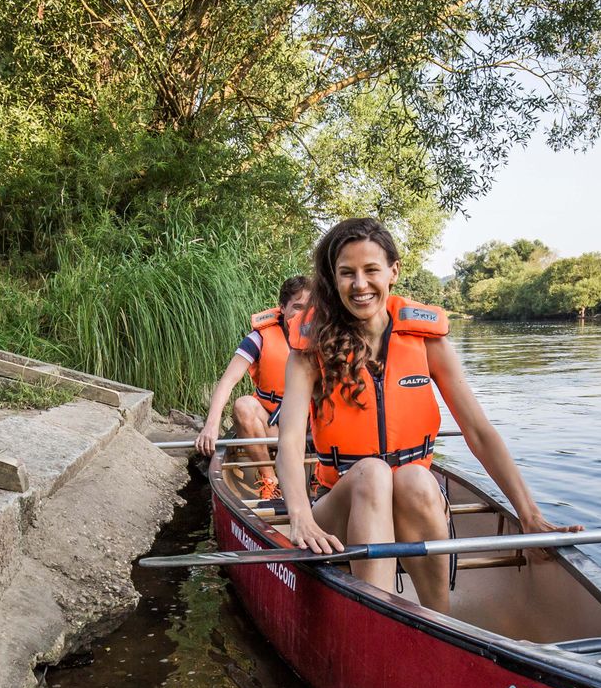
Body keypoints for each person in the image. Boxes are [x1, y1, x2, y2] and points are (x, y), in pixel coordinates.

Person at [274, 217, 577, 614]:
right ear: (334, 278)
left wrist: (529, 515)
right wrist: (299, 517)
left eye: (371, 271)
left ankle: (439, 619)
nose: (360, 284)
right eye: (347, 273)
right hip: (338, 506)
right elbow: (291, 440)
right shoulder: (309, 346)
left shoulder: (424, 339)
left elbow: (478, 430)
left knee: (417, 477)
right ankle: (375, 619)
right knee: (372, 473)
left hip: (411, 502)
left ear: (393, 272)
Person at [194, 274, 312, 500]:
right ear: (283, 308)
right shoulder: (260, 337)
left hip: (306, 428)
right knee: (243, 405)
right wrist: (211, 426)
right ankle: (269, 478)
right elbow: (228, 380)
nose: (303, 314)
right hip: (271, 425)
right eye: (297, 307)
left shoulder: (324, 338)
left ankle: (320, 477)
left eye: (309, 308)